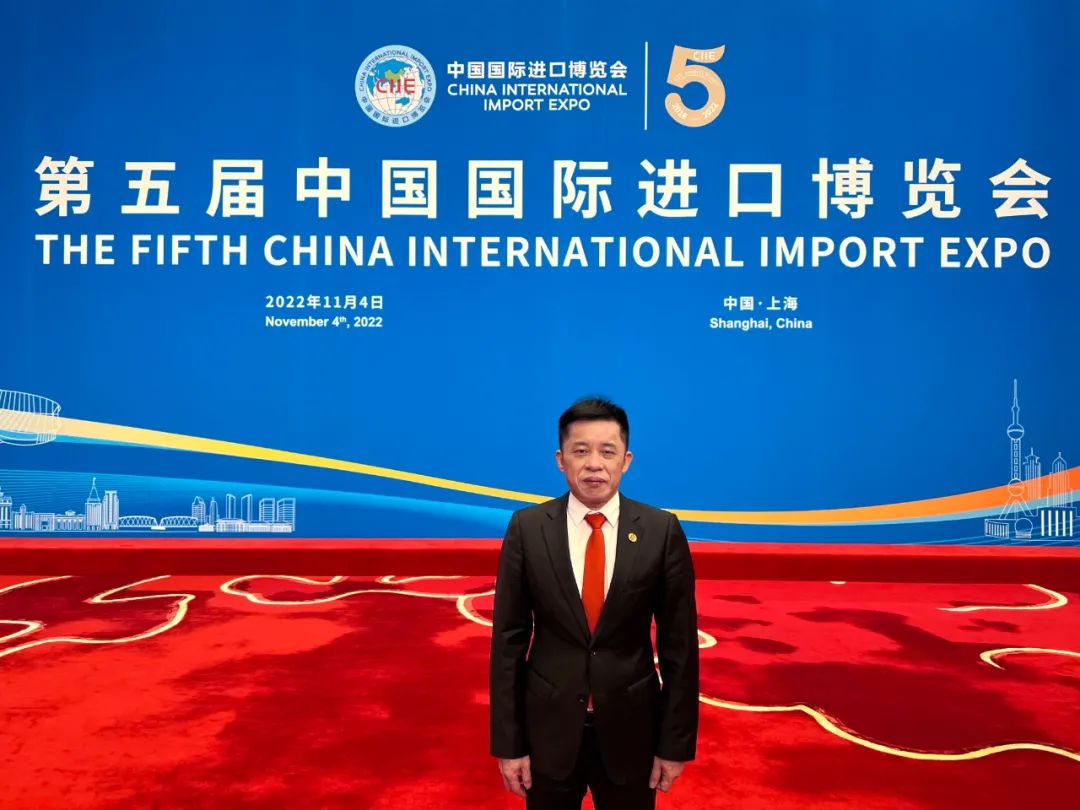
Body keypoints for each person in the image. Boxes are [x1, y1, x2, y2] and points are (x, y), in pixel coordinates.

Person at [489, 397, 699, 810]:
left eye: (608, 451)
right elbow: (507, 643)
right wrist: (509, 745)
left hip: (631, 731)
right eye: (580, 451)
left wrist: (674, 745)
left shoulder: (661, 531)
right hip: (548, 732)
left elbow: (680, 648)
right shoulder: (528, 529)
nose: (594, 464)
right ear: (560, 459)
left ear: (626, 460)